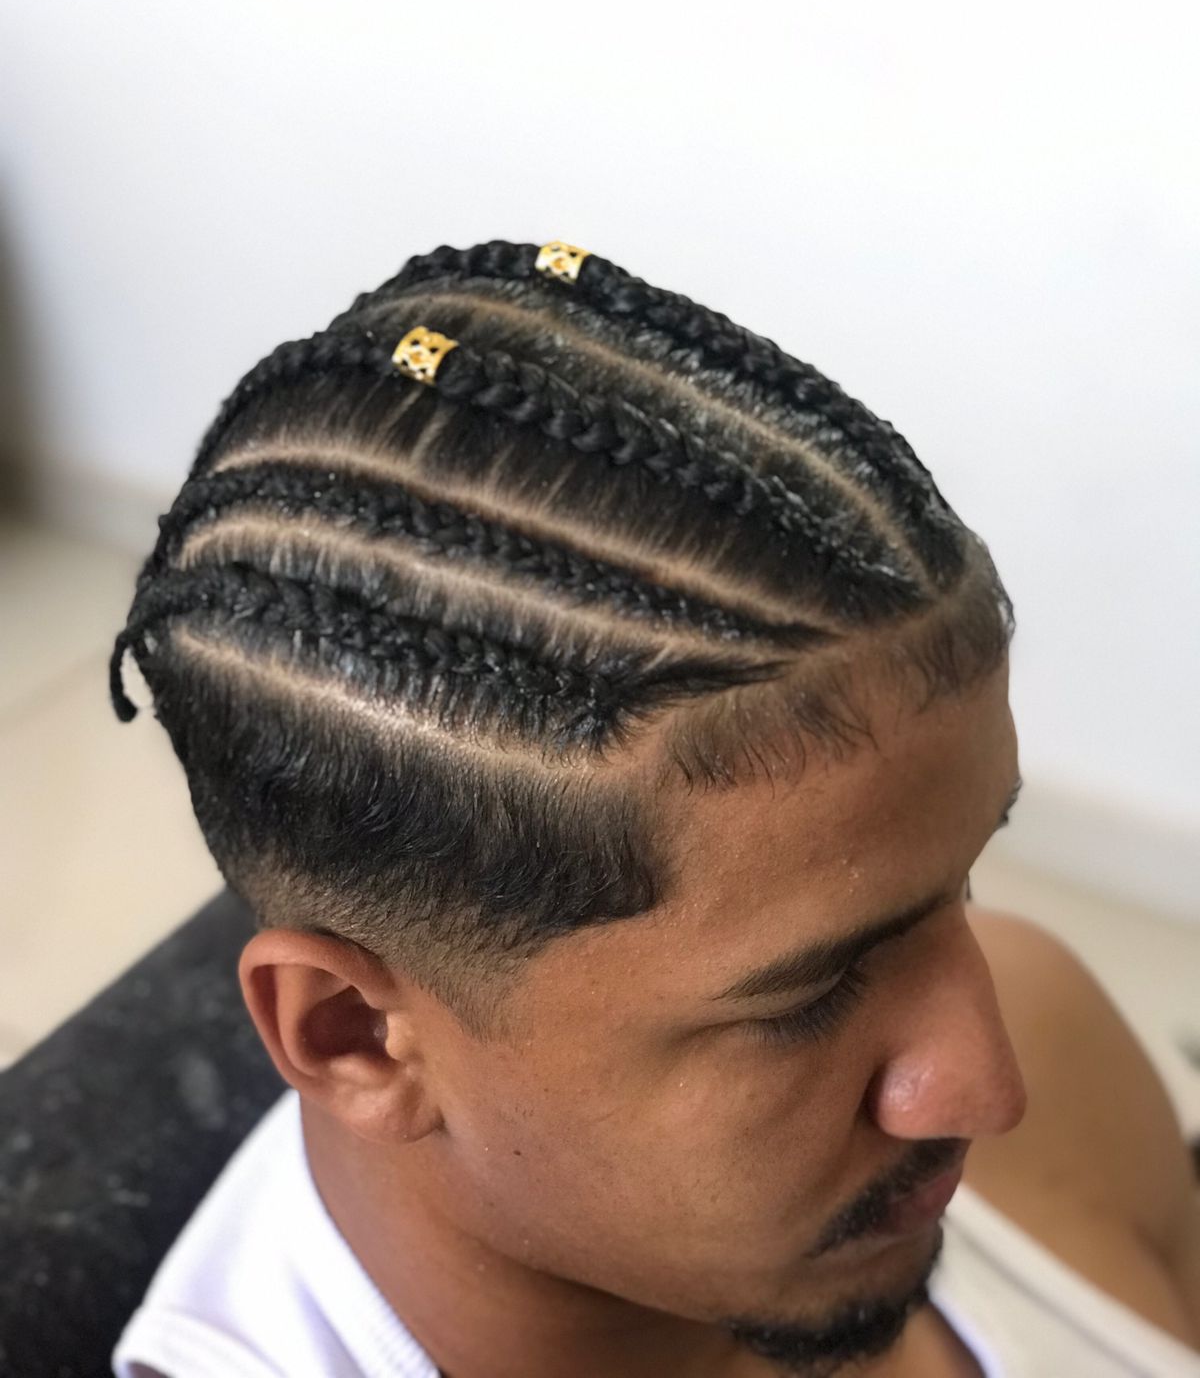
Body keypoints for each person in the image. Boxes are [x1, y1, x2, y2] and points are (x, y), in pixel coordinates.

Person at [107, 239, 1200, 1377]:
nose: (992, 1085)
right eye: (811, 999)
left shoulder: (1046, 1019)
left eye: (963, 878)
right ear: (356, 1039)